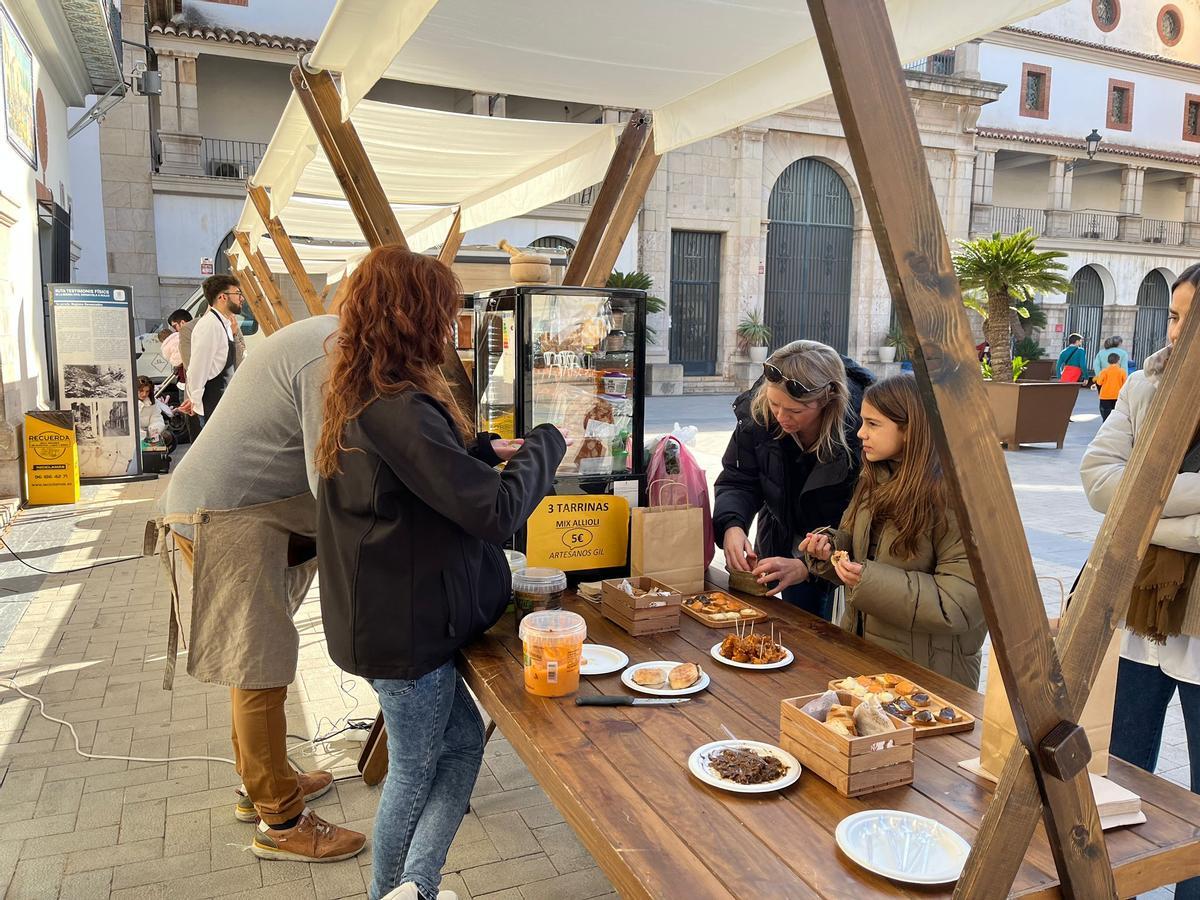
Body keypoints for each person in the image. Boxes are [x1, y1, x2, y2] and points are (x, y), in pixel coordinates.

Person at [315, 245, 565, 900]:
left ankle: (415, 888)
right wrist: (546, 443)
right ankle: (393, 894)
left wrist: (484, 447)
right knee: (416, 770)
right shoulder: (397, 407)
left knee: (460, 748)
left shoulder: (365, 392)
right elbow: (496, 509)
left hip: (391, 619)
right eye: (445, 312)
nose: (452, 326)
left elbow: (418, 472)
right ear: (411, 317)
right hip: (406, 631)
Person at [157, 312, 368, 863]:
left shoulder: (333, 336)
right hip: (229, 517)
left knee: (259, 663)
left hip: (247, 513)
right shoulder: (329, 355)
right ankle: (281, 820)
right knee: (259, 664)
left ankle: (263, 780)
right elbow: (332, 476)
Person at [1080, 262, 1200, 900]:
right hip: (1136, 614)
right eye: (1173, 316)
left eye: (1189, 319)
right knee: (1115, 776)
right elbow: (1099, 480)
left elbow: (1125, 498)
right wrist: (1178, 511)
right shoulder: (1147, 386)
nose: (1175, 333)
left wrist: (1145, 512)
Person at [800, 374, 986, 688]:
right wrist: (831, 550)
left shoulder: (957, 495)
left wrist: (867, 579)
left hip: (928, 679)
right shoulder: (876, 476)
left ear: (911, 428)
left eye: (873, 424)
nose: (860, 433)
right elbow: (860, 549)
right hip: (870, 661)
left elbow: (961, 602)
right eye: (862, 422)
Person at [714, 340, 874, 619]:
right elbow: (738, 479)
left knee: (816, 633)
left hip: (835, 549)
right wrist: (732, 525)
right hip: (778, 534)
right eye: (775, 404)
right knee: (773, 625)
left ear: (827, 401)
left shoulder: (863, 433)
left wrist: (808, 566)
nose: (781, 416)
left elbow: (863, 521)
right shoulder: (758, 413)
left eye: (796, 411)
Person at [180, 274, 245, 428]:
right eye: (238, 293)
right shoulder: (210, 325)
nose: (241, 298)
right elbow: (197, 368)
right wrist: (195, 402)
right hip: (213, 404)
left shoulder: (223, 324)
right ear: (223, 297)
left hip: (223, 403)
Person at [136, 375, 175, 450]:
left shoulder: (152, 403)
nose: (144, 394)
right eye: (141, 391)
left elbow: (157, 418)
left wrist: (154, 431)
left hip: (148, 436)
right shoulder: (128, 403)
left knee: (168, 437)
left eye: (147, 391)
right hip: (135, 438)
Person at [1091, 351, 1127, 421]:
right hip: (1117, 396)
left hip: (1105, 396)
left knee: (1106, 414)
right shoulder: (1122, 371)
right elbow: (1125, 384)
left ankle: (1105, 426)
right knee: (1115, 413)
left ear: (1108, 361)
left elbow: (1099, 382)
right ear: (1118, 361)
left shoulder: (1104, 371)